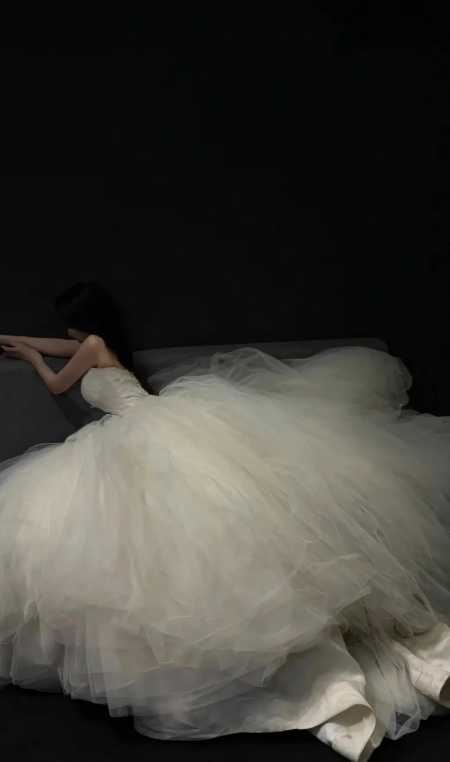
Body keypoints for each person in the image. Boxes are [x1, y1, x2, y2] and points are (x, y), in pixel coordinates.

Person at [0, 282, 450, 762]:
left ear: (83, 322)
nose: (66, 333)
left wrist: (32, 358)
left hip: (145, 428)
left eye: (69, 323)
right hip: (139, 426)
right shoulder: (95, 342)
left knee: (179, 521)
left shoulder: (91, 345)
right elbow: (65, 344)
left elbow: (57, 382)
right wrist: (22, 340)